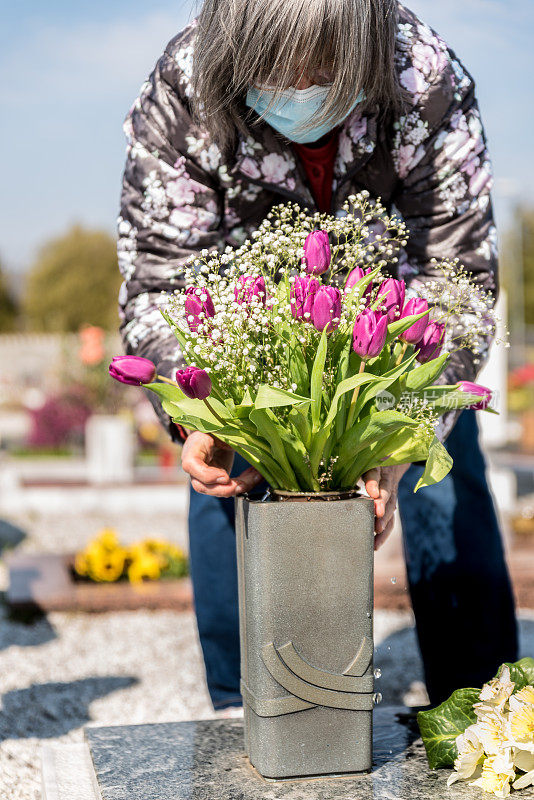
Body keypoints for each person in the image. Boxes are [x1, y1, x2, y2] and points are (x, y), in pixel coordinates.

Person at [117, 0, 518, 710]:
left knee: (443, 481)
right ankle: (243, 718)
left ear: (367, 42)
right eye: (274, 69)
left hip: (392, 340)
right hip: (250, 339)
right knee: (230, 483)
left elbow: (459, 275)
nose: (301, 86)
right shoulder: (184, 89)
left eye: (326, 68)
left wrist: (398, 434)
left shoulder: (425, 81)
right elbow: (161, 279)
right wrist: (205, 408)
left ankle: (486, 714)